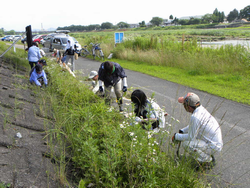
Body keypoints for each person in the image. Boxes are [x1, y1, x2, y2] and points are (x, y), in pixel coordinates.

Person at [172, 92, 223, 167]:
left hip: (212, 146)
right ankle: (205, 155)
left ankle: (207, 160)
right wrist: (182, 131)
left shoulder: (195, 117)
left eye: (184, 105)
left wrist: (176, 136)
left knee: (187, 144)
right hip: (214, 143)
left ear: (188, 107)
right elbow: (193, 126)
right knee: (192, 140)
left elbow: (190, 137)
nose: (183, 106)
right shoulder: (201, 109)